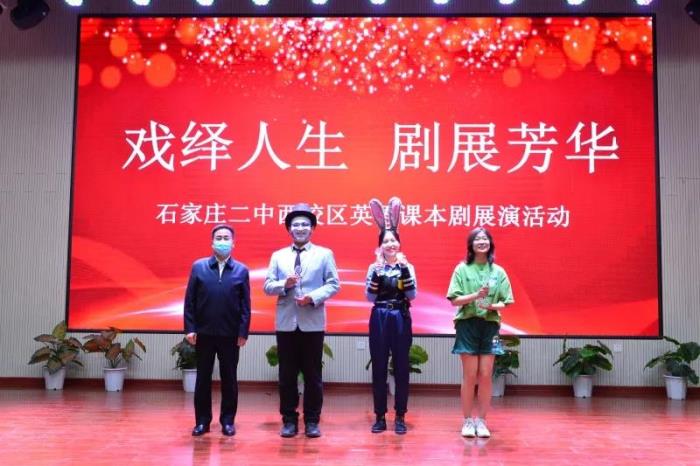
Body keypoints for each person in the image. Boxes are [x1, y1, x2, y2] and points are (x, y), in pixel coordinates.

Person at [263, 203, 340, 438]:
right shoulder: (278, 256)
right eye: (295, 224)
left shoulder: (324, 254)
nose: (300, 228)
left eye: (305, 224)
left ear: (312, 228)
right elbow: (267, 286)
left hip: (312, 323)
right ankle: (289, 420)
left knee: (313, 375)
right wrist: (283, 285)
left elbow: (333, 284)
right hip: (286, 323)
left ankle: (312, 421)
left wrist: (313, 298)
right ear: (289, 229)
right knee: (286, 375)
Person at [184, 224, 251, 437]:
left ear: (233, 243)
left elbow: (245, 305)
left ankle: (228, 421)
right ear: (212, 242)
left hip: (230, 335)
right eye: (219, 238)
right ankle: (202, 421)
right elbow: (190, 301)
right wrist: (190, 328)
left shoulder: (241, 270)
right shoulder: (199, 267)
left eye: (226, 238)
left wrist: (243, 332)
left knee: (229, 379)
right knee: (203, 378)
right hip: (203, 333)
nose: (222, 241)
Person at [446, 227, 514, 439]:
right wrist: (476, 296)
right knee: (470, 375)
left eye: (485, 239)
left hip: (491, 326)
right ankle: (467, 421)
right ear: (471, 245)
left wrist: (491, 306)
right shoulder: (462, 269)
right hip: (466, 325)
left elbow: (507, 302)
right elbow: (454, 300)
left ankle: (482, 421)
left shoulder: (498, 271)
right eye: (477, 239)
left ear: (490, 244)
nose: (482, 242)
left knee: (486, 375)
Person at [365, 197, 417, 435]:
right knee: (378, 366)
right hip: (379, 316)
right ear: (380, 246)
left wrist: (404, 270)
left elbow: (412, 295)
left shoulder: (407, 266)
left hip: (400, 316)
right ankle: (379, 416)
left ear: (399, 243)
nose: (390, 244)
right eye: (386, 241)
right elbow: (369, 298)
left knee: (402, 366)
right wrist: (376, 275)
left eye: (393, 240)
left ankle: (400, 416)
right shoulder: (373, 267)